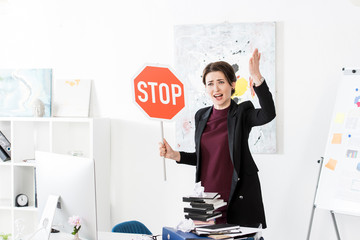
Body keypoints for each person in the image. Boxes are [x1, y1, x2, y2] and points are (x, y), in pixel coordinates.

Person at [159, 48, 276, 228]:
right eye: (210, 83)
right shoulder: (201, 116)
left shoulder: (242, 113)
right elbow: (203, 157)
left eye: (221, 82)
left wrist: (257, 77)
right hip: (207, 200)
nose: (216, 88)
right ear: (205, 88)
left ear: (232, 84)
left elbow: (268, 114)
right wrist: (176, 155)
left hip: (237, 196)